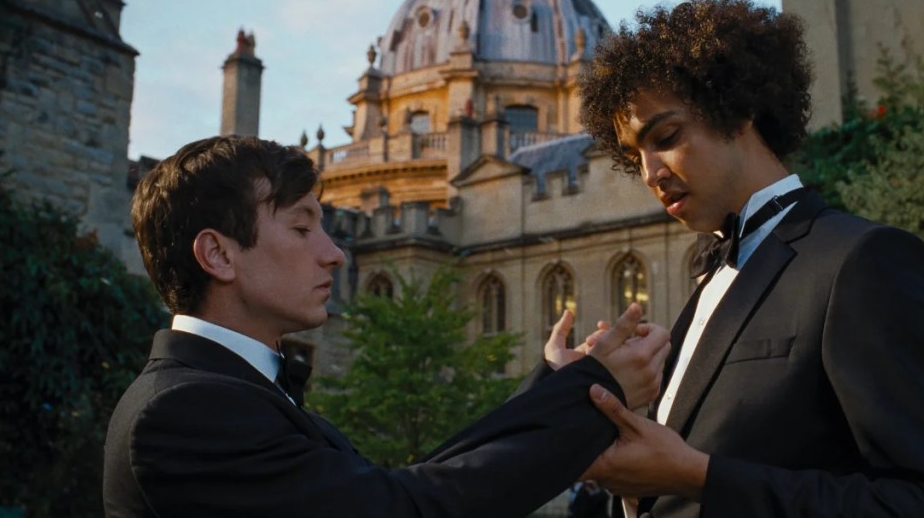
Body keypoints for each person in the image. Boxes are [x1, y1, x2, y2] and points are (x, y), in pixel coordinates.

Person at [545, 0, 924, 517]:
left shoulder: (863, 261)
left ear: (737, 110)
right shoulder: (709, 284)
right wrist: (624, 457)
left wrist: (697, 475)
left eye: (665, 136)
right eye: (633, 156)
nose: (649, 173)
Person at [103, 135, 670, 517]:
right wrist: (596, 399)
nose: (336, 254)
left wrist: (554, 382)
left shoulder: (227, 391)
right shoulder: (182, 413)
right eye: (303, 229)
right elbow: (409, 509)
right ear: (219, 256)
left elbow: (414, 480)